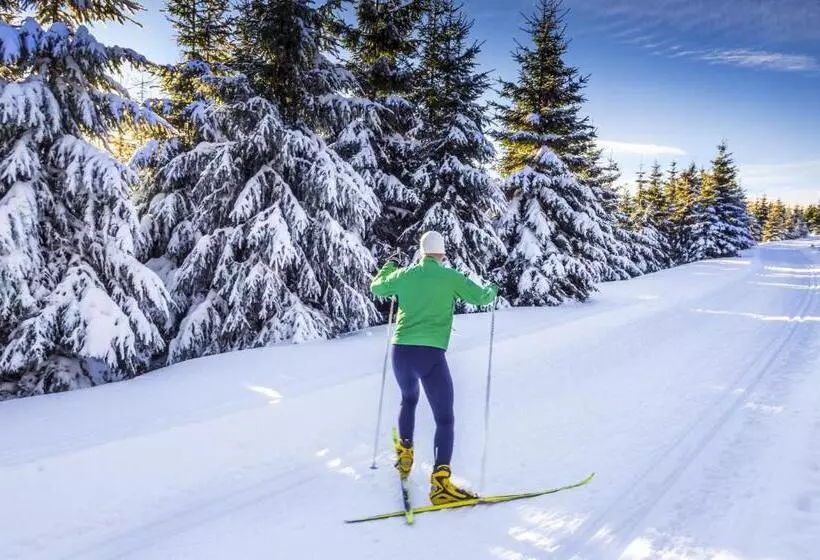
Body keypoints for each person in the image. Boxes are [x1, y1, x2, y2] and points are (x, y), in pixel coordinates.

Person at [369, 231, 498, 505]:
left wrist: (389, 266)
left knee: (408, 399)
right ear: (442, 253)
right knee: (445, 418)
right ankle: (440, 485)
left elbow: (377, 287)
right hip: (430, 355)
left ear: (421, 251)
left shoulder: (404, 275)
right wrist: (492, 289)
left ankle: (405, 455)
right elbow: (481, 298)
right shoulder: (449, 276)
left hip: (401, 352)